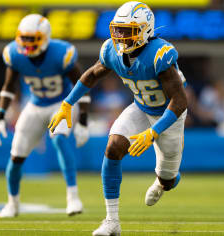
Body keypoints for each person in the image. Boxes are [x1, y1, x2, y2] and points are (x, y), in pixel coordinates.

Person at [48, 2, 188, 235]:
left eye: (127, 31)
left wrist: (153, 132)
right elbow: (91, 75)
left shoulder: (160, 55)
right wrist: (67, 103)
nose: (120, 36)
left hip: (169, 115)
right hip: (141, 108)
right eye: (118, 30)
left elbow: (180, 101)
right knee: (113, 147)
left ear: (144, 30)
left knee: (168, 179)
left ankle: (163, 182)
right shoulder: (112, 51)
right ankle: (111, 222)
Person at [0, 14, 90, 218]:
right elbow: (8, 87)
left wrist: (83, 121)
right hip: (35, 105)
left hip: (62, 104)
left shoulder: (61, 53)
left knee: (59, 140)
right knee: (16, 155)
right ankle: (12, 203)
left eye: (32, 38)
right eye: (24, 38)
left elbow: (82, 86)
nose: (26, 44)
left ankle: (73, 197)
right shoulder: (14, 54)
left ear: (45, 37)